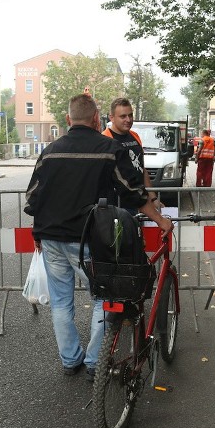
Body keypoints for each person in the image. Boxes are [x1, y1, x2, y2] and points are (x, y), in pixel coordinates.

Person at [24, 94, 173, 381]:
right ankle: (95, 362)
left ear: (68, 120)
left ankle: (70, 360)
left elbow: (32, 199)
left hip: (51, 239)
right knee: (105, 298)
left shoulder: (50, 151)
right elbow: (133, 191)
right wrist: (160, 219)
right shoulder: (108, 149)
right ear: (96, 119)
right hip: (89, 240)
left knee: (61, 303)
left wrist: (38, 230)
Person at [103, 97, 158, 208]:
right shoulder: (105, 139)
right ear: (111, 118)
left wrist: (153, 197)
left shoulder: (135, 136)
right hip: (118, 204)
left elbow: (142, 169)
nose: (128, 120)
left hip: (140, 202)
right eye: (123, 116)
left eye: (130, 115)